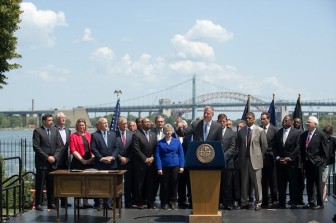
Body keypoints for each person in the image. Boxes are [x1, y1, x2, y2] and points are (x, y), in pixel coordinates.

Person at [236, 112, 267, 211]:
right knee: (244, 183)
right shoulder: (241, 131)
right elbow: (239, 145)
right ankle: (244, 202)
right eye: (246, 118)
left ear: (254, 119)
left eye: (249, 118)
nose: (247, 120)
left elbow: (264, 146)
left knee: (257, 184)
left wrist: (258, 156)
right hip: (244, 161)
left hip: (256, 161)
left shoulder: (260, 130)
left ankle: (258, 202)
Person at [32, 113, 64, 211]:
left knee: (51, 184)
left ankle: (52, 203)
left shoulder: (55, 130)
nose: (51, 122)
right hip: (42, 163)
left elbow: (60, 146)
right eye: (49, 120)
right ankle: (38, 204)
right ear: (44, 121)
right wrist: (47, 157)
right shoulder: (37, 131)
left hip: (53, 162)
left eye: (51, 120)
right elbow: (36, 147)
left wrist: (55, 157)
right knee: (40, 184)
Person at [91, 117, 119, 211]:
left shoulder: (113, 134)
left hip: (112, 163)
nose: (106, 124)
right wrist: (102, 158)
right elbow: (94, 148)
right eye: (104, 123)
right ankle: (100, 204)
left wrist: (112, 157)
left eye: (107, 122)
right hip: (100, 164)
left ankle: (109, 204)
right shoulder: (95, 135)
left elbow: (116, 148)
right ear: (99, 125)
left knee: (111, 184)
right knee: (99, 184)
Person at [273, 115, 301, 209]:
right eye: (283, 120)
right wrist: (277, 157)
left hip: (291, 163)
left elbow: (297, 147)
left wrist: (288, 158)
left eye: (286, 120)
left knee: (293, 183)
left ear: (291, 122)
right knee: (281, 184)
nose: (284, 122)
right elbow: (275, 147)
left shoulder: (297, 133)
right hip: (280, 163)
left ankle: (293, 202)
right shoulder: (278, 132)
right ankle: (281, 202)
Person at [301, 116, 328, 210]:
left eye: (309, 122)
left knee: (318, 184)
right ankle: (311, 202)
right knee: (309, 184)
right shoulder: (304, 135)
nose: (307, 123)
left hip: (317, 164)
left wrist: (321, 162)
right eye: (307, 122)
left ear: (315, 124)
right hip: (307, 164)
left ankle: (320, 203)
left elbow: (325, 151)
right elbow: (302, 149)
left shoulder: (320, 134)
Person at [155, 124, 185, 210]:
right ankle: (164, 203)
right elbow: (157, 156)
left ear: (172, 132)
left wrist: (182, 166)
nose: (168, 132)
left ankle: (172, 202)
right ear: (164, 132)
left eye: (170, 130)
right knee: (164, 185)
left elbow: (181, 154)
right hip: (164, 166)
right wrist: (159, 168)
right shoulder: (159, 143)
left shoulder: (177, 141)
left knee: (174, 185)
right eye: (167, 131)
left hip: (175, 165)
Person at [132, 117, 158, 209]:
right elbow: (136, 149)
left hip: (151, 164)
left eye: (149, 122)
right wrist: (145, 159)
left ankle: (150, 203)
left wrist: (152, 158)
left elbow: (156, 149)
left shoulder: (153, 135)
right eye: (146, 122)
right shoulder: (136, 135)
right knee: (139, 184)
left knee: (150, 184)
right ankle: (139, 202)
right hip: (140, 164)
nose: (148, 123)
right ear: (141, 124)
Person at [69, 118, 95, 208]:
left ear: (85, 126)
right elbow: (73, 150)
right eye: (80, 125)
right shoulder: (73, 136)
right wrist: (82, 160)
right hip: (78, 161)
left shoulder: (90, 135)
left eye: (83, 125)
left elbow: (93, 148)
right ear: (77, 126)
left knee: (87, 182)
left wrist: (91, 158)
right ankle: (77, 202)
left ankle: (85, 202)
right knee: (78, 183)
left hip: (89, 161)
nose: (81, 127)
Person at [217, 114, 237, 210]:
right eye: (220, 121)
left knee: (227, 185)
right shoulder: (214, 132)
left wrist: (222, 157)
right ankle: (218, 202)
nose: (222, 123)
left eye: (223, 121)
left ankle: (227, 202)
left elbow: (232, 148)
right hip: (216, 164)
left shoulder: (232, 133)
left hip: (228, 162)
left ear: (226, 121)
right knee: (217, 185)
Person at [260, 112, 278, 208]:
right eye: (261, 119)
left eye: (264, 119)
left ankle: (275, 200)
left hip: (271, 159)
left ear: (268, 119)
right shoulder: (258, 129)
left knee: (273, 182)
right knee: (263, 182)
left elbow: (277, 145)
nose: (262, 121)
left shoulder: (274, 130)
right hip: (261, 160)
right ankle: (264, 201)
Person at [115, 117, 134, 208]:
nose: (126, 125)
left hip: (128, 163)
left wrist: (127, 159)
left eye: (126, 123)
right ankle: (117, 202)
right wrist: (120, 158)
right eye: (123, 124)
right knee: (117, 183)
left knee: (129, 183)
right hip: (118, 163)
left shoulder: (131, 134)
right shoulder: (113, 135)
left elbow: (133, 149)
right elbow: (113, 148)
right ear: (118, 124)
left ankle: (128, 202)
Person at [54, 112, 72, 208]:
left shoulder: (68, 131)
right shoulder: (53, 130)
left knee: (65, 181)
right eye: (61, 117)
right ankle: (55, 201)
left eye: (64, 117)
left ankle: (64, 201)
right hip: (56, 160)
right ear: (57, 119)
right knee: (56, 181)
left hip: (66, 160)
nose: (63, 119)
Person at [173, 119, 192, 208]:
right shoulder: (172, 136)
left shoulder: (189, 136)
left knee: (190, 183)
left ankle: (191, 200)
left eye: (183, 127)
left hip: (189, 163)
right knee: (180, 184)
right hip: (177, 164)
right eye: (180, 127)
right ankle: (181, 201)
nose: (182, 129)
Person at [293, 117, 306, 205]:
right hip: (292, 161)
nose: (296, 124)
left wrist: (302, 162)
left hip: (301, 162)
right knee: (293, 181)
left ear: (300, 124)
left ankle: (300, 198)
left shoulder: (303, 133)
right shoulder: (291, 132)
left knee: (301, 182)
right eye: (295, 122)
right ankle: (293, 198)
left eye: (298, 123)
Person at [322, 126, 336, 203]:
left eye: (327, 133)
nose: (326, 135)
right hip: (321, 162)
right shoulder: (321, 139)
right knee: (324, 180)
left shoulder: (333, 140)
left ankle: (323, 197)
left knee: (323, 180)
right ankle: (324, 196)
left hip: (328, 163)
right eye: (325, 133)